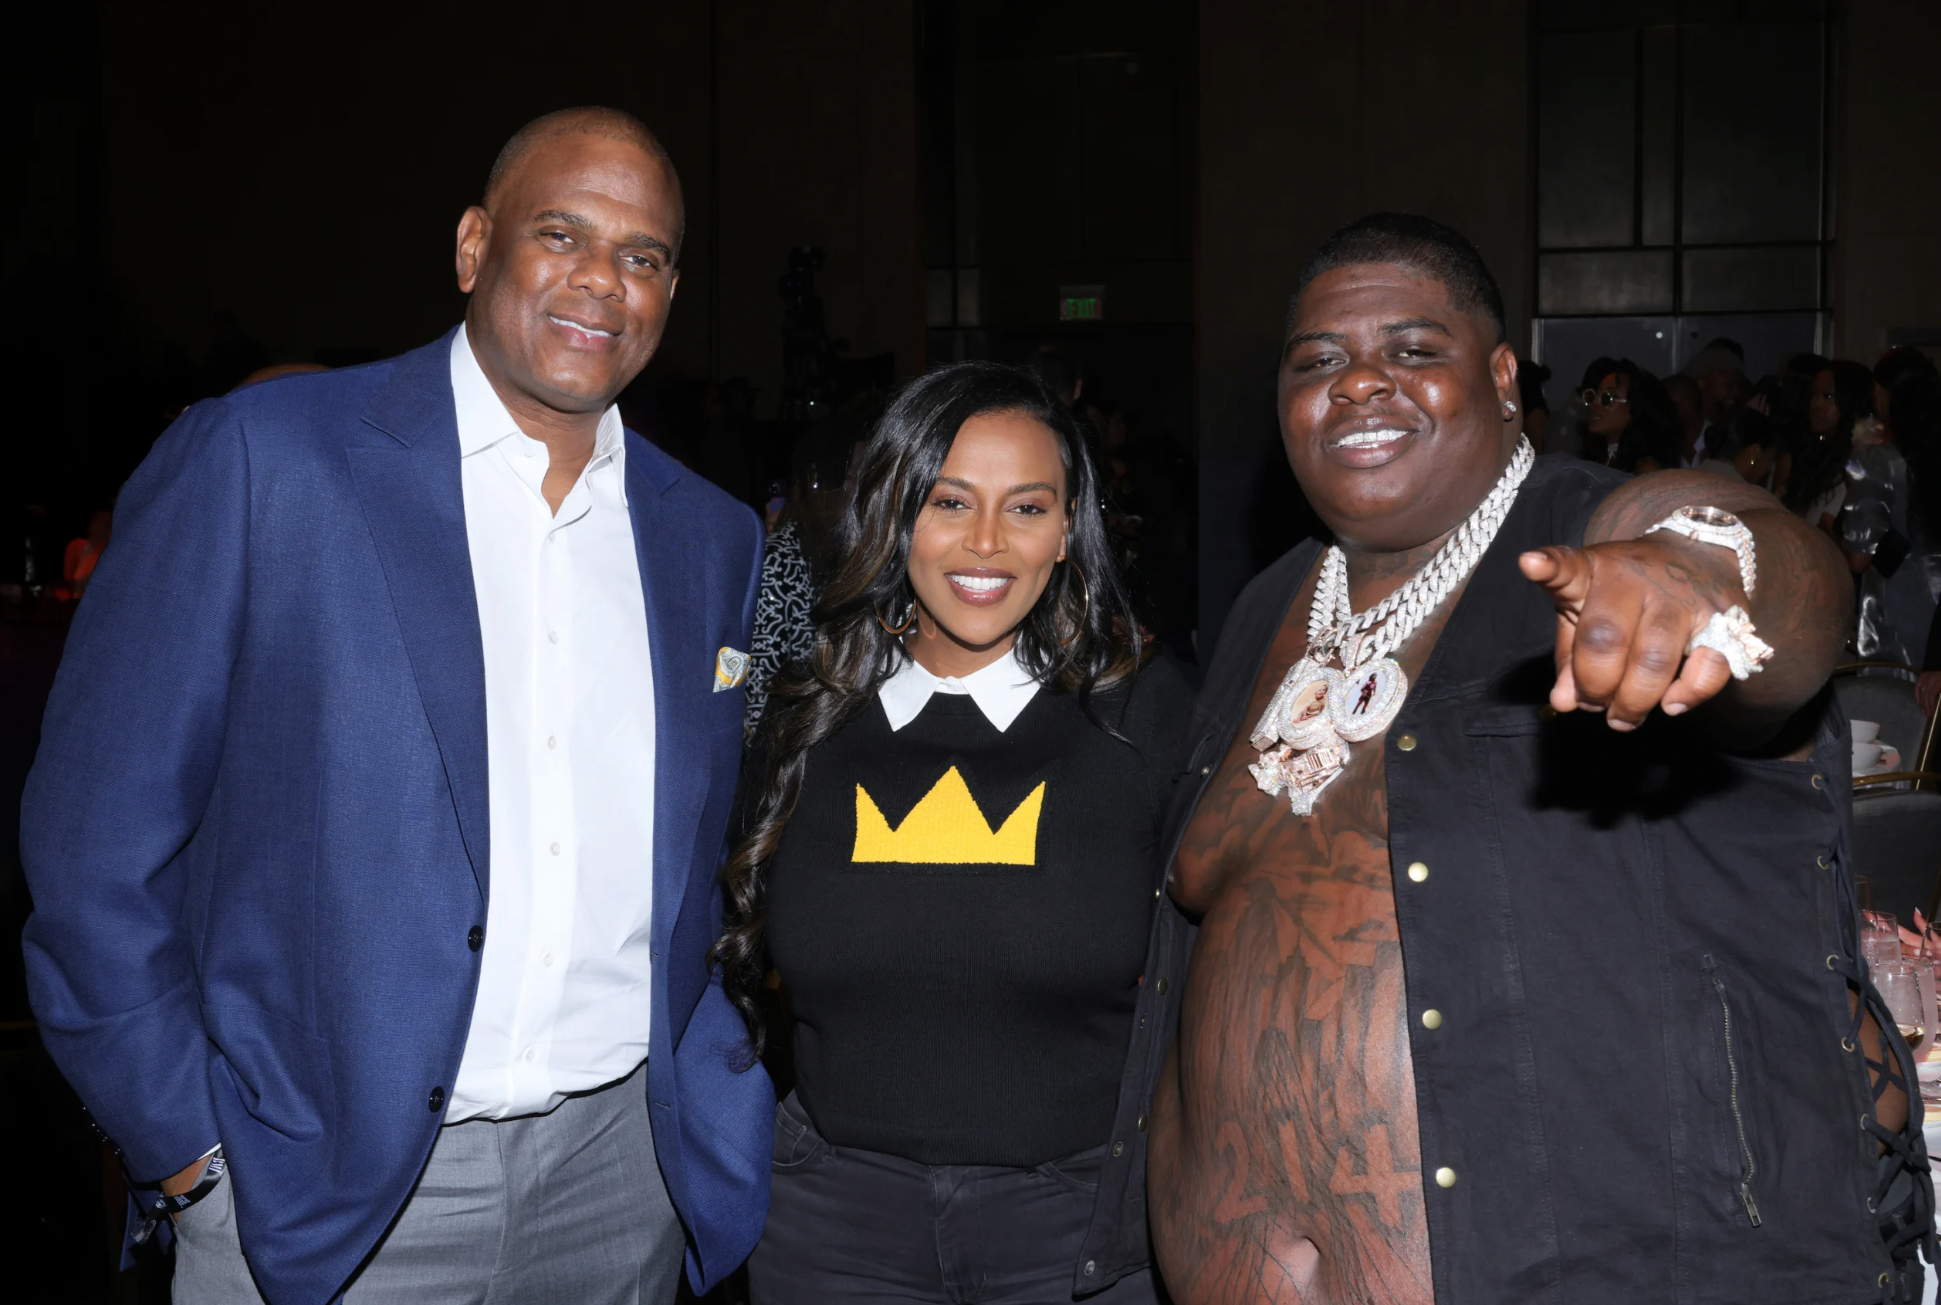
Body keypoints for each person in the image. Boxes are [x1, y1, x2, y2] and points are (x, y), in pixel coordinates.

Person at [20, 107, 772, 1303]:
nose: (603, 279)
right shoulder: (266, 460)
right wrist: (189, 1156)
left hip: (620, 1178)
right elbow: (92, 847)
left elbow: (701, 856)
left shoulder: (711, 539)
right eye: (561, 234)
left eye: (644, 255)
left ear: (670, 293)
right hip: (318, 1195)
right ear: (475, 247)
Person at [1147, 213, 1930, 1304]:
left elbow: (1777, 580)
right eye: (1316, 362)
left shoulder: (1594, 536)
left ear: (1504, 379)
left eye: (1412, 350)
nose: (1359, 382)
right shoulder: (1262, 611)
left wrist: (1706, 571)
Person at [716, 361, 1192, 1303]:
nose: (986, 542)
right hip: (830, 1231)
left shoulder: (1146, 718)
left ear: (1068, 530)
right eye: (949, 501)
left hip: (1078, 1227)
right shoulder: (807, 718)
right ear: (896, 516)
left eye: (1026, 507)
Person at [745, 415, 870, 735]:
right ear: (819, 480)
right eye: (853, 475)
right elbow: (756, 695)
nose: (863, 488)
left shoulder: (850, 552)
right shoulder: (779, 562)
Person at [1850, 348, 1941, 667]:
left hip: (1898, 607)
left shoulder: (1877, 460)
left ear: (1884, 394)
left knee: (1894, 693)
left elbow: (1859, 557)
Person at [1785, 359, 1871, 538]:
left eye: (1828, 397)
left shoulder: (1862, 462)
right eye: (1813, 396)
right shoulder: (1814, 452)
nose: (1815, 405)